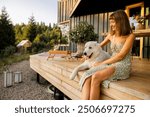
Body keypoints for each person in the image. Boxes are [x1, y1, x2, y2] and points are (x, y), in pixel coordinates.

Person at [80, 10, 135, 100]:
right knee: (87, 75)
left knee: (96, 76)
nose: (111, 25)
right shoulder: (111, 35)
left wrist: (101, 63)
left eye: (113, 22)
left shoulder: (130, 36)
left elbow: (121, 56)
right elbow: (98, 46)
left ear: (121, 21)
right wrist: (87, 55)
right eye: (110, 22)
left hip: (122, 64)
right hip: (111, 62)